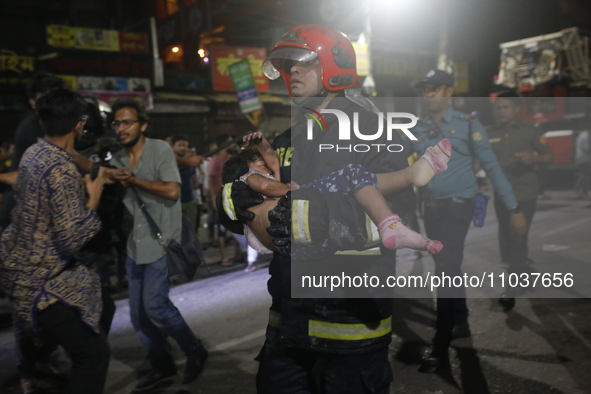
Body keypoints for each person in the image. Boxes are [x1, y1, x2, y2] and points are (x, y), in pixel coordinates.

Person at [218, 25, 415, 394]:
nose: (291, 72)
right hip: (288, 320)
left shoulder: (373, 131)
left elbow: (396, 213)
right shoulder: (284, 140)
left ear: (334, 64)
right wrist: (236, 203)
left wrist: (308, 218)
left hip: (350, 322)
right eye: (285, 64)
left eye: (301, 62)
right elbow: (266, 217)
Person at [410, 69, 528, 370]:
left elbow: (491, 166)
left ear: (449, 92)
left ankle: (440, 344)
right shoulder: (420, 128)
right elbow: (408, 167)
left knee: (446, 268)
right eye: (425, 89)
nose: (429, 94)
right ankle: (460, 320)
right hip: (431, 208)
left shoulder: (467, 125)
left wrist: (514, 209)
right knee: (444, 264)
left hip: (458, 207)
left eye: (435, 89)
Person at [0, 88, 111, 394]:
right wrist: (94, 197)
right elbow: (72, 237)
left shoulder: (35, 152)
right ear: (79, 125)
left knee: (105, 303)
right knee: (94, 354)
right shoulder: (62, 173)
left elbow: (67, 158)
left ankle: (40, 364)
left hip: (15, 264)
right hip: (39, 277)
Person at [107, 99, 208, 391]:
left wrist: (135, 181)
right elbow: (98, 170)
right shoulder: (117, 158)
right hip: (135, 246)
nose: (121, 128)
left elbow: (171, 190)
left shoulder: (159, 149)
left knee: (156, 306)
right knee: (139, 316)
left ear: (143, 125)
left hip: (162, 242)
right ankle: (162, 366)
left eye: (127, 122)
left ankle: (194, 350)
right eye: (117, 123)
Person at [224, 133, 452, 255]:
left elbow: (273, 163)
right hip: (304, 226)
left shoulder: (246, 203)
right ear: (250, 166)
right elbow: (268, 186)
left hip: (303, 249)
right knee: (352, 175)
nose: (267, 163)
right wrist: (297, 191)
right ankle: (407, 183)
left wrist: (263, 143)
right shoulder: (249, 179)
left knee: (353, 189)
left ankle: (406, 231)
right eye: (259, 161)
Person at [487, 91, 553, 310]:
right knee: (506, 239)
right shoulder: (489, 132)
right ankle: (522, 272)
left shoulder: (530, 131)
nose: (501, 111)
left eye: (506, 107)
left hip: (524, 193)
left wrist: (534, 158)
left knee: (518, 236)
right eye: (499, 108)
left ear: (516, 109)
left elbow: (549, 157)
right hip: (501, 194)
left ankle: (512, 288)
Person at [171, 134, 200, 230]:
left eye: (185, 145)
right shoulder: (168, 161)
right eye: (179, 145)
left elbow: (193, 178)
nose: (183, 148)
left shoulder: (190, 162)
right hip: (174, 203)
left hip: (189, 200)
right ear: (173, 146)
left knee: (191, 231)